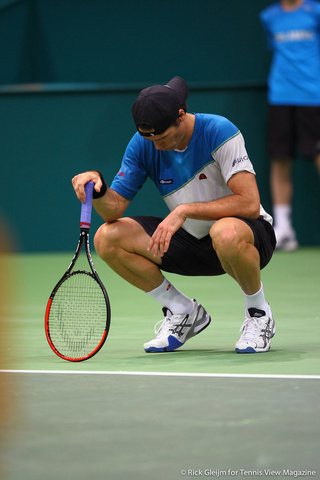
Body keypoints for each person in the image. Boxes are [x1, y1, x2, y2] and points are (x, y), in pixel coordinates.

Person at [72, 76, 276, 354]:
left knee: (224, 231)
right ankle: (182, 311)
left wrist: (184, 210)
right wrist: (98, 188)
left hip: (246, 237)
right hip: (192, 244)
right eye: (149, 137)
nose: (155, 145)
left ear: (181, 116)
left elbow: (250, 203)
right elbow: (114, 208)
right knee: (108, 237)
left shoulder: (218, 130)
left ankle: (258, 313)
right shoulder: (142, 144)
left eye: (162, 136)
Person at [260, 0, 320, 251]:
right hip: (280, 96)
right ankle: (284, 229)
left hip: (313, 96)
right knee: (280, 158)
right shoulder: (269, 16)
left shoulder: (315, 11)